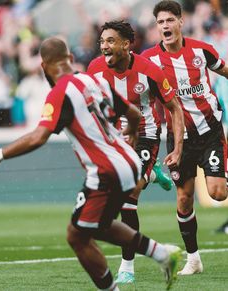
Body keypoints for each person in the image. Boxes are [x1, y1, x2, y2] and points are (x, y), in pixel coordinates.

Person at [0, 36, 182, 291]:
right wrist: (134, 135)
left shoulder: (59, 92)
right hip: (128, 161)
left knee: (77, 236)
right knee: (96, 227)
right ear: (70, 59)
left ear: (43, 66)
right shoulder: (94, 81)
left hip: (106, 171)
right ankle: (161, 254)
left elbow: (39, 137)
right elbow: (134, 113)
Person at [87, 20, 184, 284]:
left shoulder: (150, 71)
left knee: (129, 196)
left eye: (110, 41)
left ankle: (127, 266)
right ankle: (152, 175)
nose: (104, 46)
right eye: (102, 41)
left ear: (127, 44)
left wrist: (177, 147)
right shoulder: (94, 70)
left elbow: (174, 108)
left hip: (145, 135)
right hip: (115, 139)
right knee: (125, 186)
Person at [141, 0, 228, 276]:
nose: (165, 26)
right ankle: (194, 259)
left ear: (180, 21)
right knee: (183, 200)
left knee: (217, 192)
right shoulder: (149, 61)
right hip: (178, 138)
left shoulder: (202, 51)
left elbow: (225, 70)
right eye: (160, 22)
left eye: (169, 20)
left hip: (210, 131)